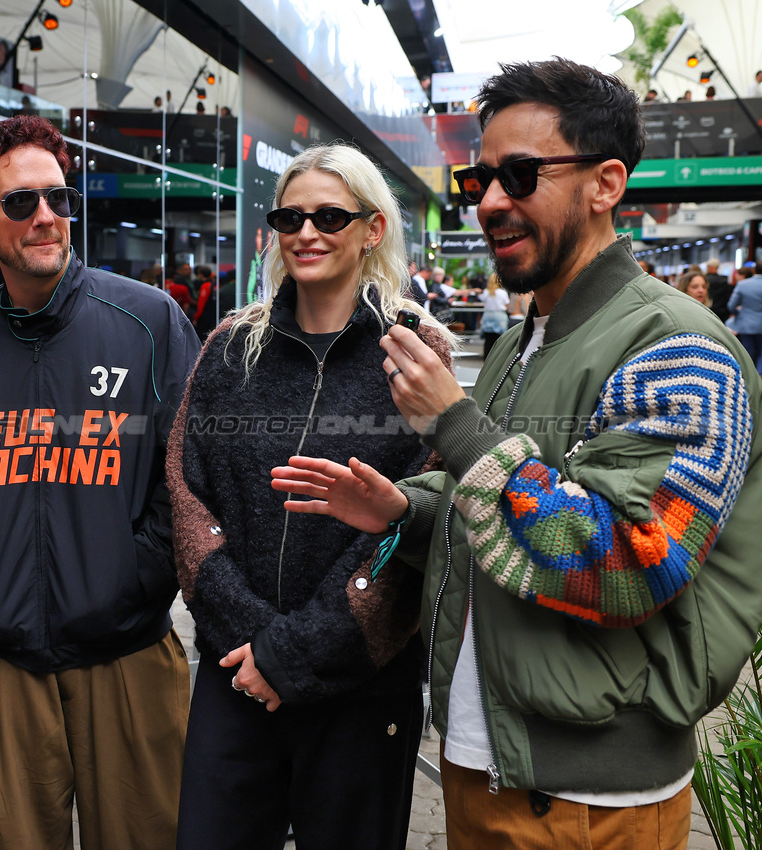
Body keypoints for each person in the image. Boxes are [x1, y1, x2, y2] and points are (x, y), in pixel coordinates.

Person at [272, 58, 762, 849]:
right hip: (491, 761)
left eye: (520, 174)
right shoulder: (520, 341)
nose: (491, 201)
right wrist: (406, 505)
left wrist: (457, 425)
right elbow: (492, 509)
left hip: (589, 800)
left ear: (606, 183)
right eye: (480, 181)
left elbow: (628, 560)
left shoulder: (676, 346)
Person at [167, 143, 455, 850]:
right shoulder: (230, 346)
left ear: (371, 229)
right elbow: (185, 494)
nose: (306, 233)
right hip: (235, 675)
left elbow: (416, 518)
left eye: (329, 215)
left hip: (360, 681)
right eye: (289, 217)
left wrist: (291, 653)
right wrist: (253, 646)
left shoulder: (416, 352)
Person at [0, 115, 199, 850]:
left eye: (58, 197)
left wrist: (134, 580)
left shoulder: (147, 320)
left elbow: (188, 473)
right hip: (3, 655)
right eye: (20, 202)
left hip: (128, 653)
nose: (45, 215)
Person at [728, 260, 762, 370]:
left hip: (745, 323)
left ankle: (748, 374)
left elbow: (731, 305)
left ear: (754, 270)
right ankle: (760, 375)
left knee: (747, 351)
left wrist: (739, 313)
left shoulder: (742, 284)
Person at [478, 273, 509, 357]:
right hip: (499, 316)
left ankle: (486, 358)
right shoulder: (502, 292)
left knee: (488, 340)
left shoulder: (486, 292)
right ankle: (497, 358)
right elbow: (507, 305)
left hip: (488, 315)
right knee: (499, 339)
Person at [192, 264, 218, 338]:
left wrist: (196, 317)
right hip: (213, 315)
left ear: (200, 274)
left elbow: (201, 304)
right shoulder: (214, 285)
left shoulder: (205, 286)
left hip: (204, 317)